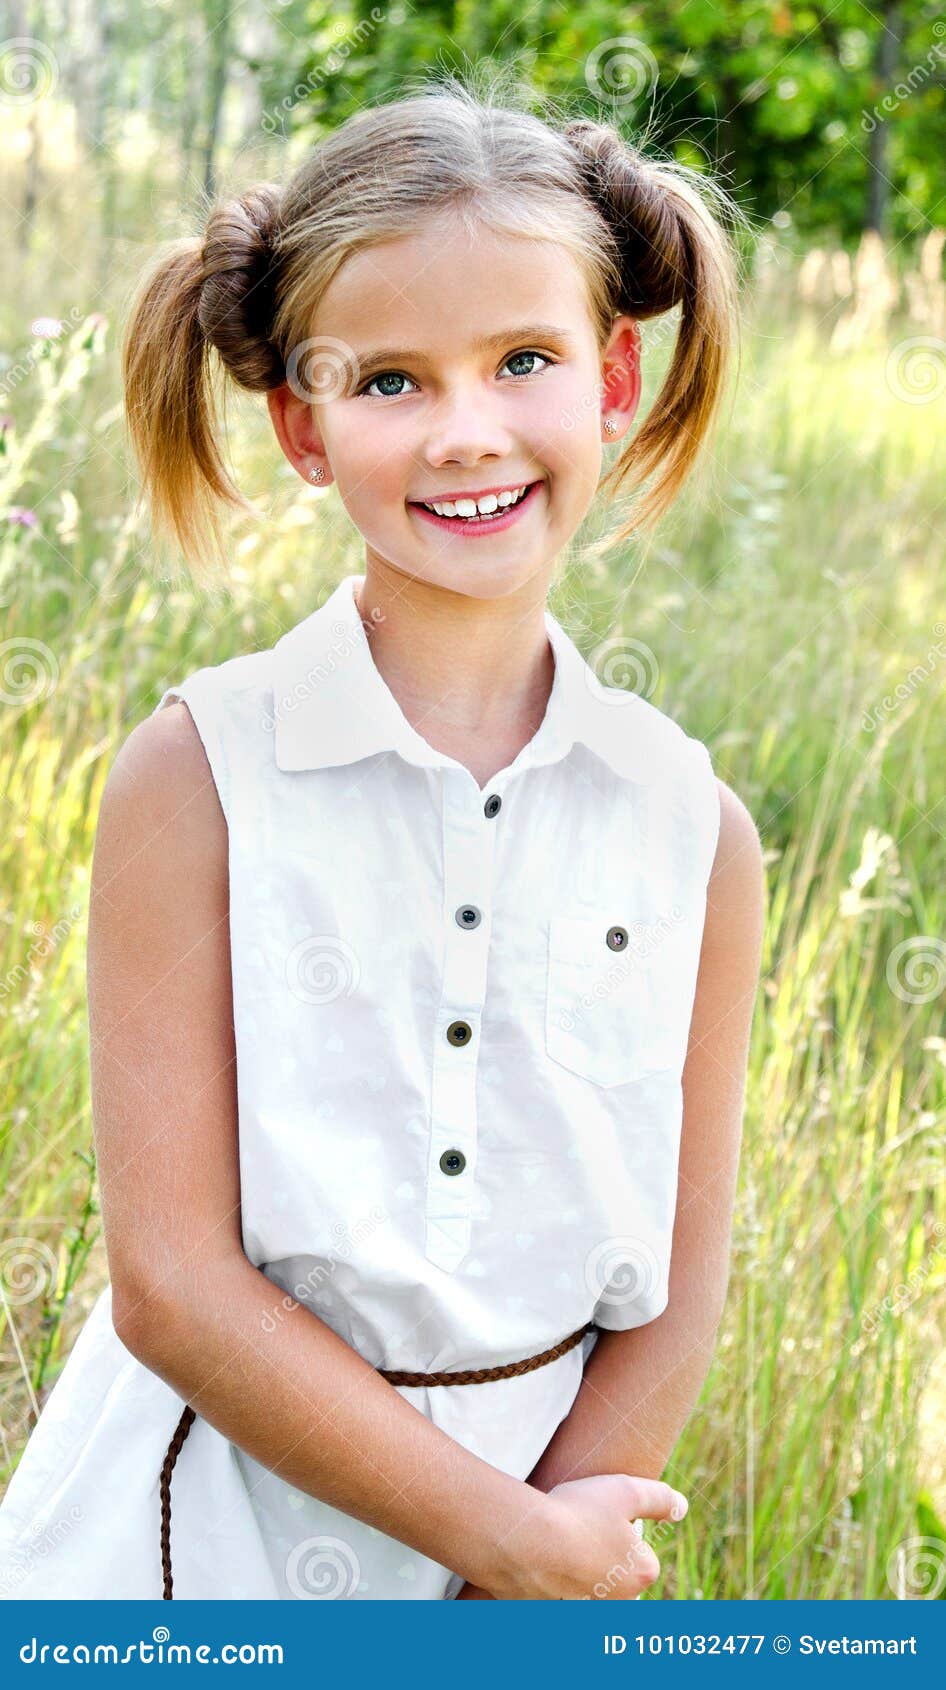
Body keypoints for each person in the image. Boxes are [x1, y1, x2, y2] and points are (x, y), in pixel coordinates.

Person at [0, 75, 764, 1601]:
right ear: (300, 422)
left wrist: (517, 1585)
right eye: (390, 382)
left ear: (614, 377)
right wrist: (497, 1536)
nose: (465, 433)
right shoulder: (197, 775)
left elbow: (676, 1288)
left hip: (520, 1568)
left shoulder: (694, 828)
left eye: (523, 360)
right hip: (174, 1558)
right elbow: (171, 1286)